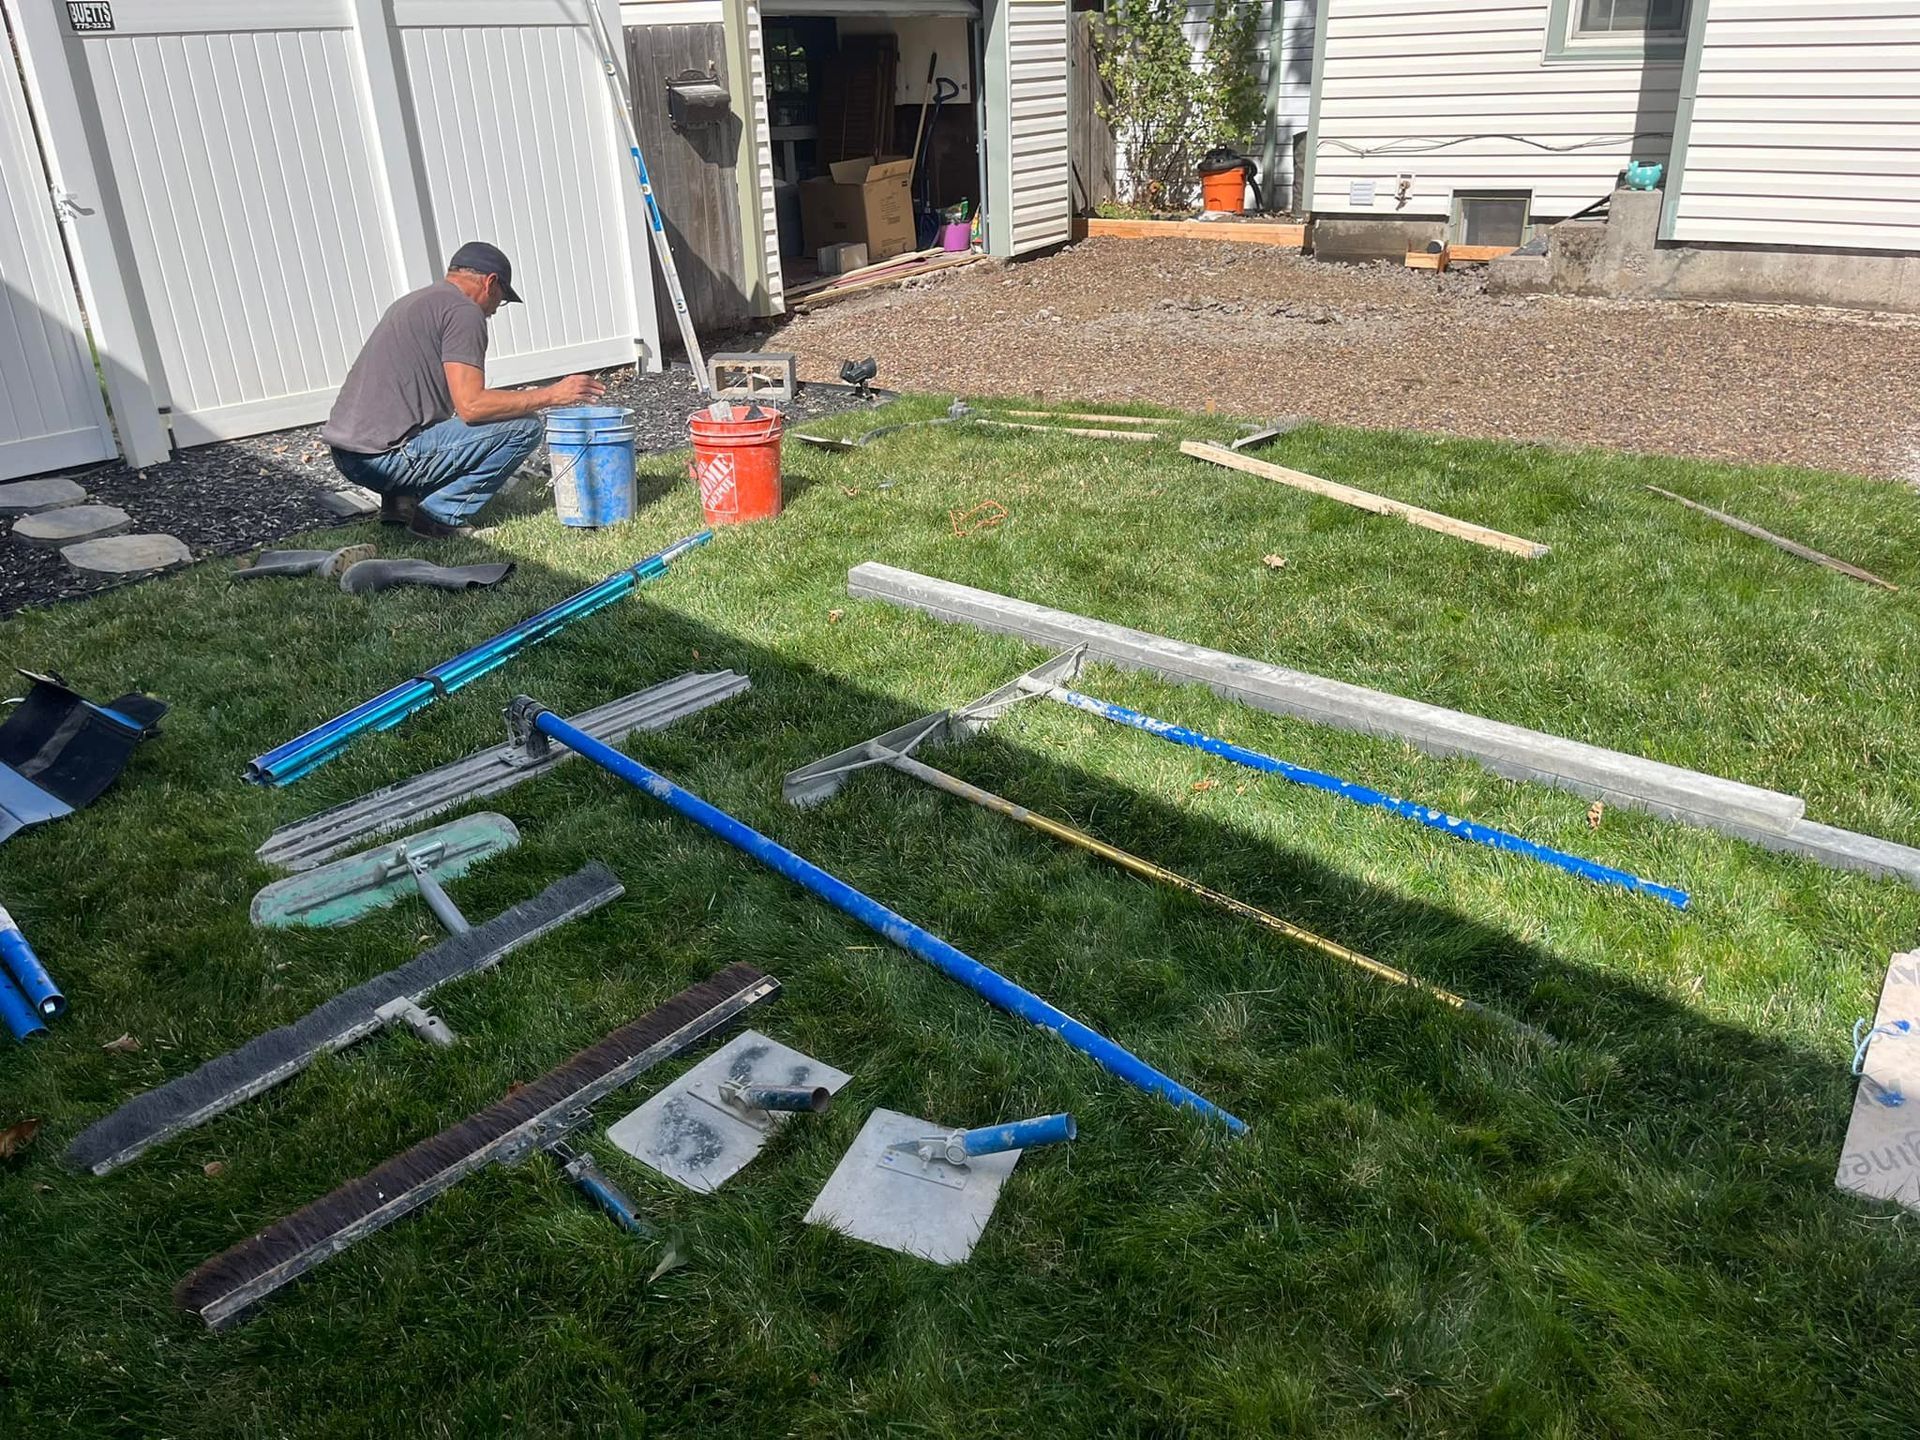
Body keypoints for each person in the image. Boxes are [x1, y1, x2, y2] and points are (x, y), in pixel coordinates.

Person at [321, 241, 606, 539]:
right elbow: (472, 406)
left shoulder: (415, 302)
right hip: (384, 460)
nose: (494, 310)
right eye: (501, 299)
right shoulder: (464, 311)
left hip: (348, 455)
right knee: (525, 428)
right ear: (491, 282)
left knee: (444, 423)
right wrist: (551, 395)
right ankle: (438, 517)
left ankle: (400, 504)